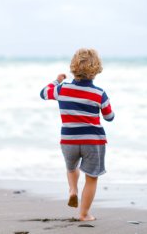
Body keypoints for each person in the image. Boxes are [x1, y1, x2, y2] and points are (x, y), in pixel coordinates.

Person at [40, 48, 114, 221]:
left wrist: (56, 81)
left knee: (71, 168)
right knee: (92, 177)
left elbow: (43, 93)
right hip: (93, 142)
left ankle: (73, 189)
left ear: (73, 67)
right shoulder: (99, 94)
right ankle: (84, 213)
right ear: (96, 69)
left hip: (69, 140)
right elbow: (109, 117)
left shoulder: (62, 90)